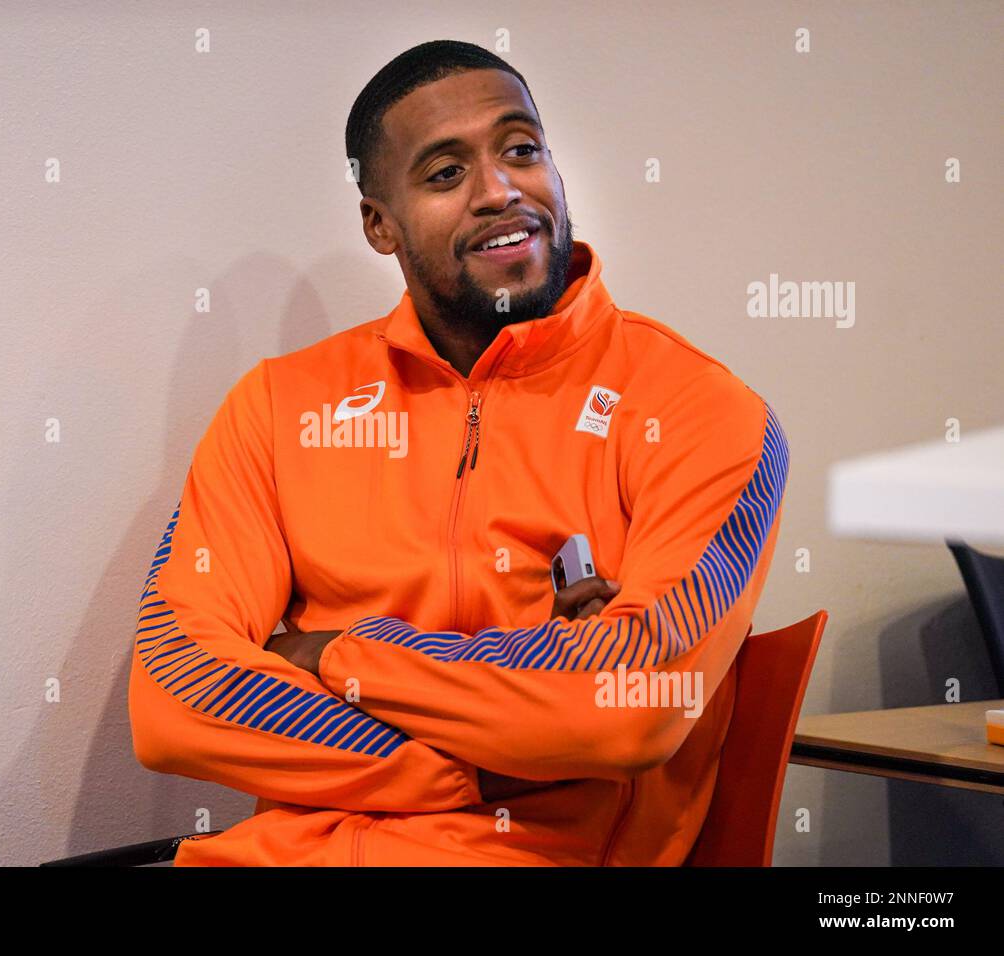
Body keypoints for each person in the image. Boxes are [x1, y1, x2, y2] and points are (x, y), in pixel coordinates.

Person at [128, 39, 789, 866]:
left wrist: (333, 654)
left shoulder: (700, 410)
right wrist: (494, 758)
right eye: (445, 174)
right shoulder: (278, 406)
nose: (500, 190)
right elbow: (174, 694)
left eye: (521, 149)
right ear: (380, 223)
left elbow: (632, 699)